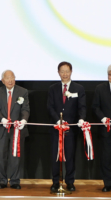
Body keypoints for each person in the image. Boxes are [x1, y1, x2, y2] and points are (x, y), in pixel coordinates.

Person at [47, 61, 86, 191]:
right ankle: (55, 182)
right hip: (56, 129)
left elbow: (82, 107)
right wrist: (57, 121)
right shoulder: (53, 88)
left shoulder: (78, 88)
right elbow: (50, 107)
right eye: (62, 71)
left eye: (67, 71)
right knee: (55, 157)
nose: (64, 74)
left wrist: (81, 119)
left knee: (70, 156)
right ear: (58, 73)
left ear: (71, 72)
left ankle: (70, 182)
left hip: (71, 129)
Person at [0, 70, 30, 189]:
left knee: (16, 156)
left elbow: (25, 109)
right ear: (2, 80)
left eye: (12, 77)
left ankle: (15, 181)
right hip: (2, 128)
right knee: (1, 156)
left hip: (17, 129)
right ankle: (2, 180)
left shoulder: (22, 91)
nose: (10, 80)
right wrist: (2, 119)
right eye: (7, 78)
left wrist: (24, 120)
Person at [92, 64, 111, 192]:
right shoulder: (100, 88)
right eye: (110, 74)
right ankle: (108, 183)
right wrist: (103, 118)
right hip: (106, 130)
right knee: (106, 158)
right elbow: (95, 107)